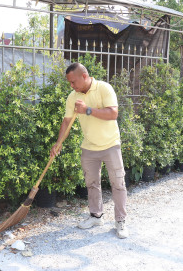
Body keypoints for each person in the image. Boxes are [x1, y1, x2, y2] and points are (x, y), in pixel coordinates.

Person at [50, 62, 129, 239]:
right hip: (89, 146)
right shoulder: (72, 96)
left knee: (118, 183)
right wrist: (59, 143)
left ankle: (120, 222)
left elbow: (113, 113)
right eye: (69, 83)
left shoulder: (104, 88)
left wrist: (87, 110)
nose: (71, 86)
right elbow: (66, 121)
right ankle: (96, 216)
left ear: (84, 76)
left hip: (111, 144)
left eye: (73, 82)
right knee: (92, 183)